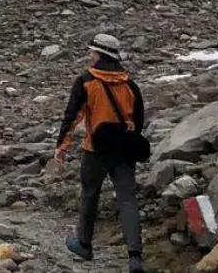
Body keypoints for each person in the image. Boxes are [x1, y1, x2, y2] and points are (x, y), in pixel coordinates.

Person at [53, 33, 147, 273]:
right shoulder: (129, 84)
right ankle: (135, 256)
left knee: (90, 195)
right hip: (124, 150)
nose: (90, 55)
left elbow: (72, 116)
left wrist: (61, 147)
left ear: (99, 54)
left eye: (92, 51)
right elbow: (138, 119)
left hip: (95, 149)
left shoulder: (86, 81)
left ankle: (84, 244)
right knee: (127, 199)